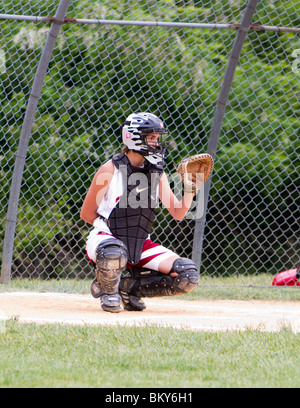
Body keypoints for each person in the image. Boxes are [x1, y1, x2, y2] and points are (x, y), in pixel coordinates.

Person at [80, 112, 200, 313]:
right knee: (113, 252)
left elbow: (178, 213)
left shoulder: (156, 172)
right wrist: (111, 235)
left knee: (187, 275)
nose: (156, 143)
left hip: (140, 243)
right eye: (150, 138)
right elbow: (87, 214)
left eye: (156, 138)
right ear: (133, 138)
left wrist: (190, 189)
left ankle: (127, 288)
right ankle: (108, 291)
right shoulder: (109, 170)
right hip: (105, 238)